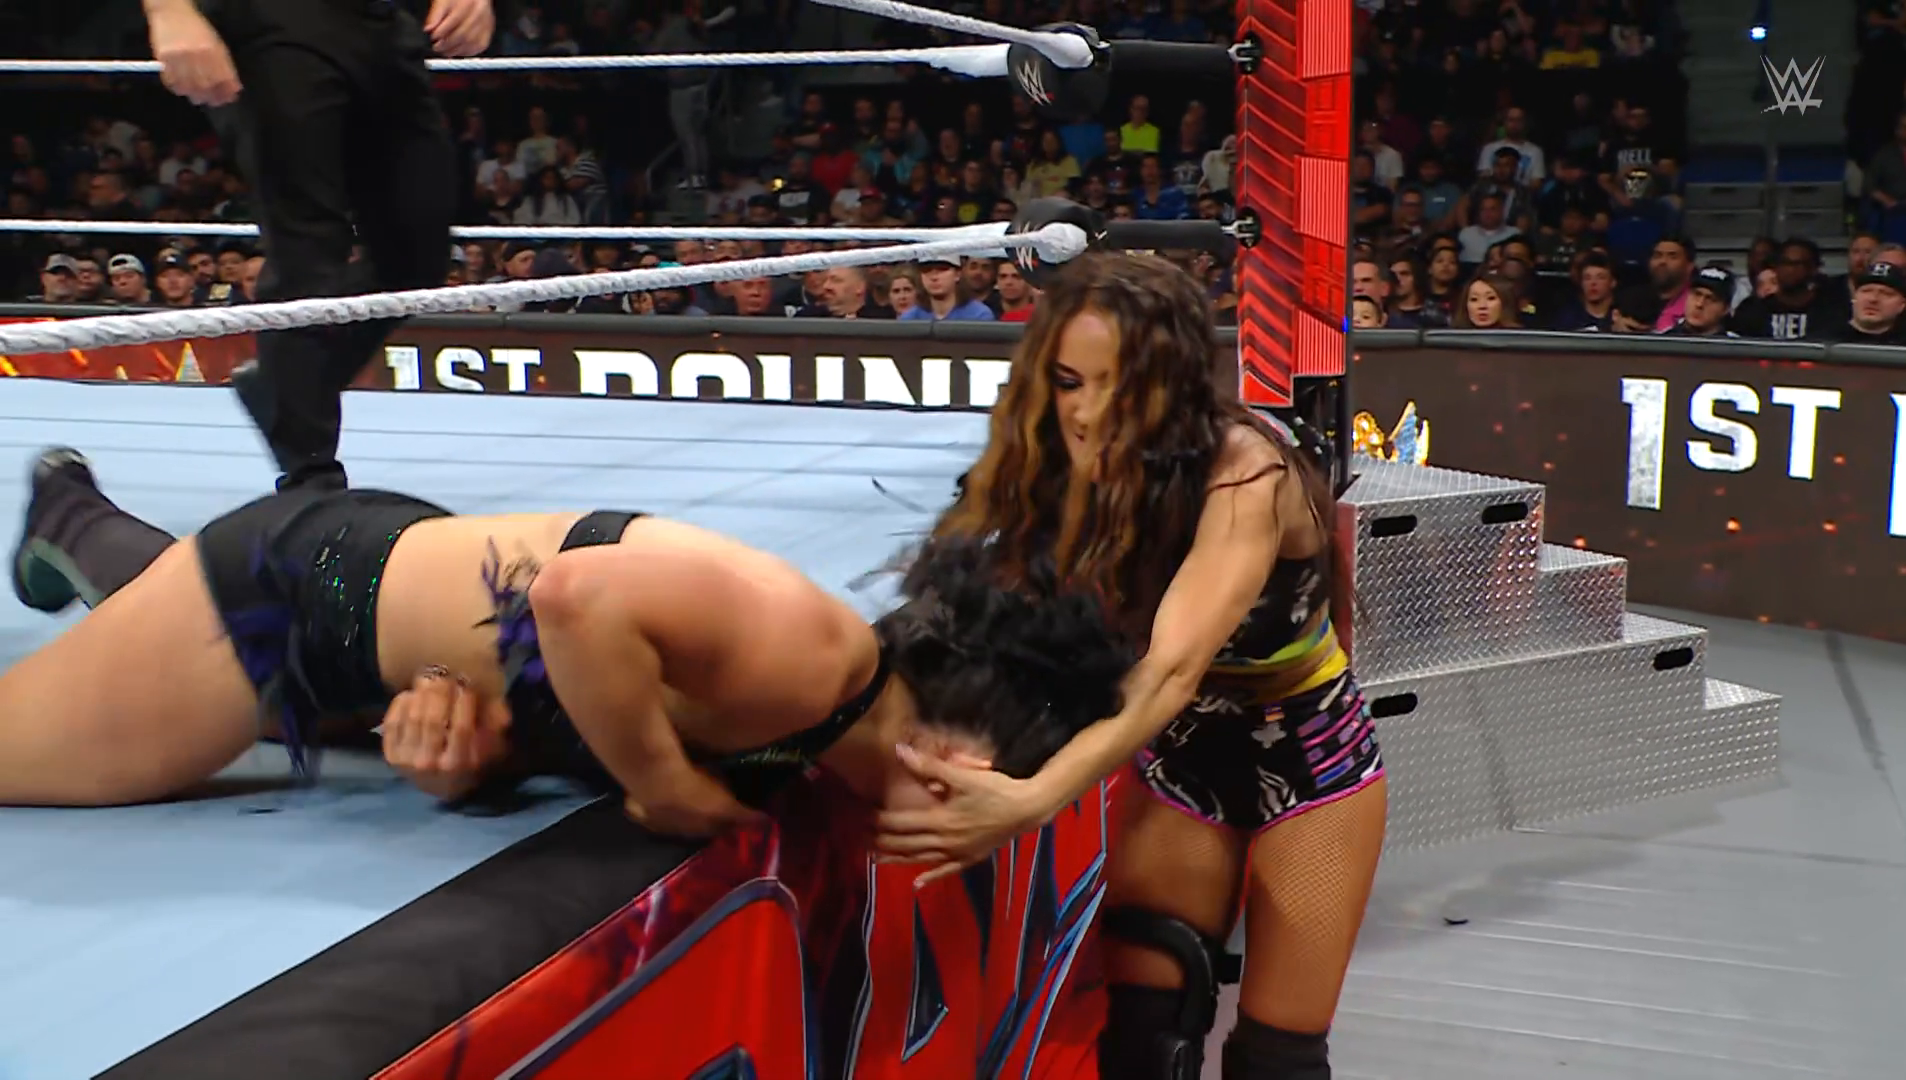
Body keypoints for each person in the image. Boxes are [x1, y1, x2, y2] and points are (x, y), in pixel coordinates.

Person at [1, 448, 1132, 834]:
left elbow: (563, 674)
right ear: (961, 761)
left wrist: (481, 759)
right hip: (297, 597)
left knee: (146, 656)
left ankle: (69, 515)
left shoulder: (820, 732)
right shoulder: (811, 658)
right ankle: (73, 520)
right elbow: (577, 598)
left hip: (388, 615)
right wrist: (663, 788)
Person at [873, 254, 1385, 1080]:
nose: (1087, 412)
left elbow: (1170, 669)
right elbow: (992, 611)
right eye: (1069, 381)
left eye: (1118, 385)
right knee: (1144, 1042)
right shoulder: (1050, 458)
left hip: (1310, 757)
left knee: (1275, 1063)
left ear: (1171, 384)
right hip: (1181, 756)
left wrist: (1032, 798)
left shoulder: (1242, 471)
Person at [140, 0, 493, 492]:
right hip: (271, 23)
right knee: (305, 250)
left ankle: (282, 388)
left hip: (381, 25)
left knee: (417, 252)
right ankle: (311, 478)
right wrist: (168, 10)